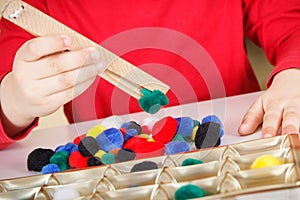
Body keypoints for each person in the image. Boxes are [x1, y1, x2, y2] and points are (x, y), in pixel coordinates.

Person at [0, 0, 300, 149]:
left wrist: (294, 73)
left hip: (237, 143)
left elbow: (289, 23)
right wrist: (13, 103)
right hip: (112, 169)